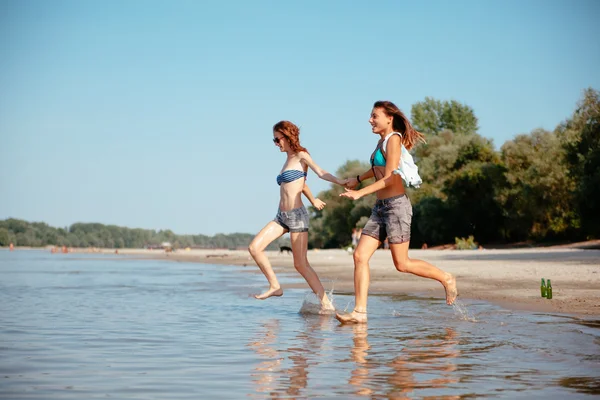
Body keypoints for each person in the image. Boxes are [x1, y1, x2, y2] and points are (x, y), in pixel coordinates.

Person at [336, 101, 458, 324]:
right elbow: (377, 168)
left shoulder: (394, 139)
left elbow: (390, 176)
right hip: (380, 208)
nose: (370, 120)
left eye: (374, 116)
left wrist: (360, 193)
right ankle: (360, 313)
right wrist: (357, 179)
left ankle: (446, 278)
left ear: (389, 118)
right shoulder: (381, 142)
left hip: (396, 207)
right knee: (359, 256)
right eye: (370, 116)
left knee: (402, 264)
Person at [248, 120, 346, 312]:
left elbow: (320, 172)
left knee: (300, 264)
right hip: (281, 216)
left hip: (297, 216)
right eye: (274, 140)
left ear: (287, 136)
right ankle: (275, 286)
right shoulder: (287, 160)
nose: (276, 144)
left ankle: (326, 304)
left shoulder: (302, 155)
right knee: (254, 248)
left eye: (277, 139)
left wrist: (340, 181)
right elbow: (301, 183)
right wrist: (314, 199)